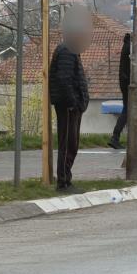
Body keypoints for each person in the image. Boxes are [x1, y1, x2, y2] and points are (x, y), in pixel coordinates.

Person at [49, 36, 90, 194]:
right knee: (67, 144)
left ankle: (66, 178)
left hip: (72, 105)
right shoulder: (67, 50)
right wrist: (73, 102)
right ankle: (63, 181)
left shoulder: (71, 50)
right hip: (67, 105)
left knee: (71, 144)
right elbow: (64, 79)